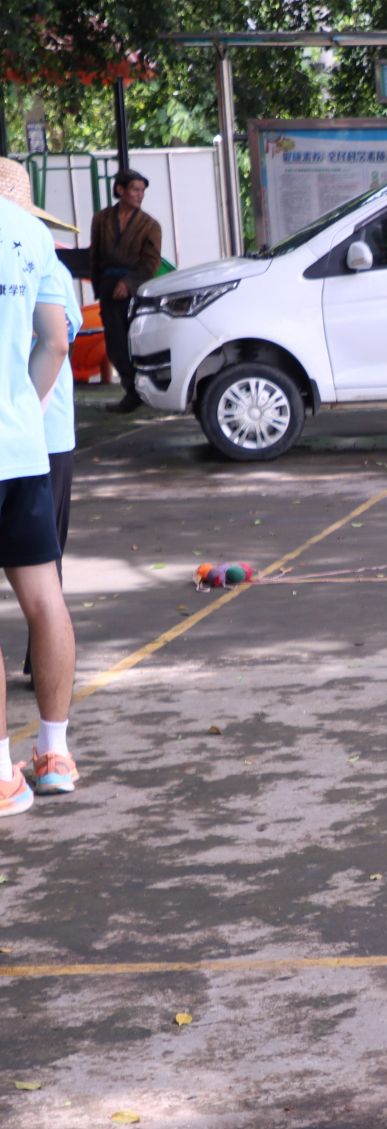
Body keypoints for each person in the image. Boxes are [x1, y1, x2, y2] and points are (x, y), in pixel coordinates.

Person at [1, 190, 81, 813]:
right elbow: (56, 341)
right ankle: (54, 754)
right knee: (45, 599)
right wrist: (19, 410)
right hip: (22, 449)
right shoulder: (29, 235)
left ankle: (2, 774)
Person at [87, 168, 160, 414]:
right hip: (109, 286)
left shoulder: (150, 225)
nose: (140, 195)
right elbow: (95, 255)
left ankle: (144, 389)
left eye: (142, 191)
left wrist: (128, 283)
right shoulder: (101, 219)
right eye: (135, 189)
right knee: (115, 344)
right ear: (120, 190)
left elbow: (150, 263)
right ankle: (131, 390)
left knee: (137, 341)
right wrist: (100, 285)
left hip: (136, 289)